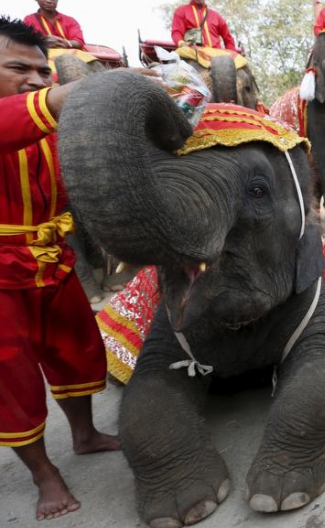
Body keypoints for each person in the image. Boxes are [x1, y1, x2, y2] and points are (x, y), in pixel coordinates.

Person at [0, 17, 153, 521]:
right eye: (18, 68)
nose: (36, 79)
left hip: (52, 256)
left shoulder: (50, 129)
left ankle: (84, 436)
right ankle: (45, 474)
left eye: (43, 72)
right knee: (13, 378)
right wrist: (71, 98)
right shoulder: (39, 113)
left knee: (77, 350)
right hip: (1, 276)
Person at [171, 0, 238, 50]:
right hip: (193, 54)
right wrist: (181, 43)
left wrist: (231, 54)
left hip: (216, 56)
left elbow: (228, 39)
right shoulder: (181, 11)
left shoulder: (216, 16)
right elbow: (176, 32)